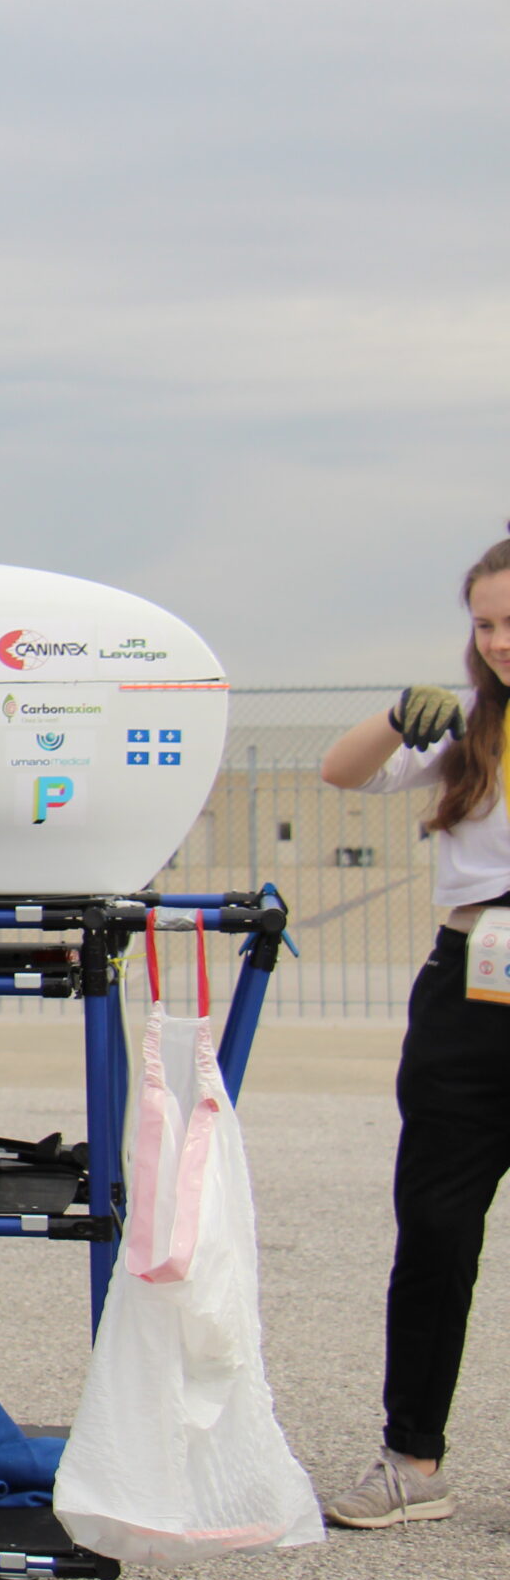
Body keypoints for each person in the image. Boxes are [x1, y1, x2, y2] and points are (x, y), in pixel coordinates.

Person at [316, 544, 510, 1527]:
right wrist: (396, 714)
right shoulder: (466, 730)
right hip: (470, 996)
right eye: (484, 624)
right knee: (435, 1228)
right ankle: (410, 1459)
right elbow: (339, 772)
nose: (498, 641)